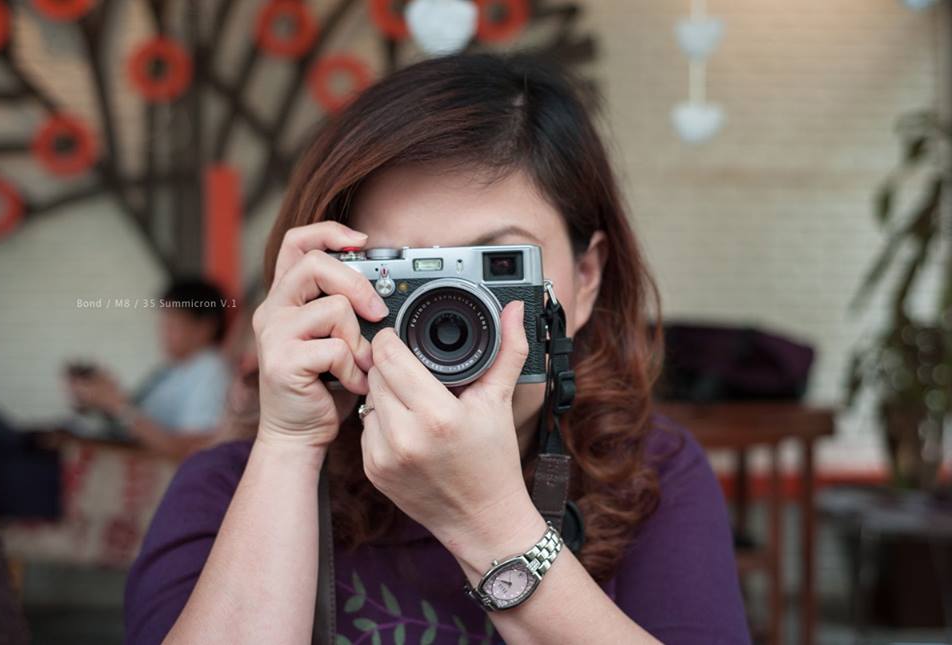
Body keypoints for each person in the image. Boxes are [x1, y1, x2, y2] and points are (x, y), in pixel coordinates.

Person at [125, 53, 751, 644]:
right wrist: (289, 449)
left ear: (586, 279)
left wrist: (489, 521)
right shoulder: (230, 487)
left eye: (497, 266)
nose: (451, 316)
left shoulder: (651, 476)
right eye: (398, 271)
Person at [65, 278, 233, 459]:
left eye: (172, 324)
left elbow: (190, 449)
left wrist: (118, 406)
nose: (163, 332)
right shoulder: (172, 370)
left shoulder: (210, 370)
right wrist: (101, 399)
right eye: (163, 324)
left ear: (205, 327)